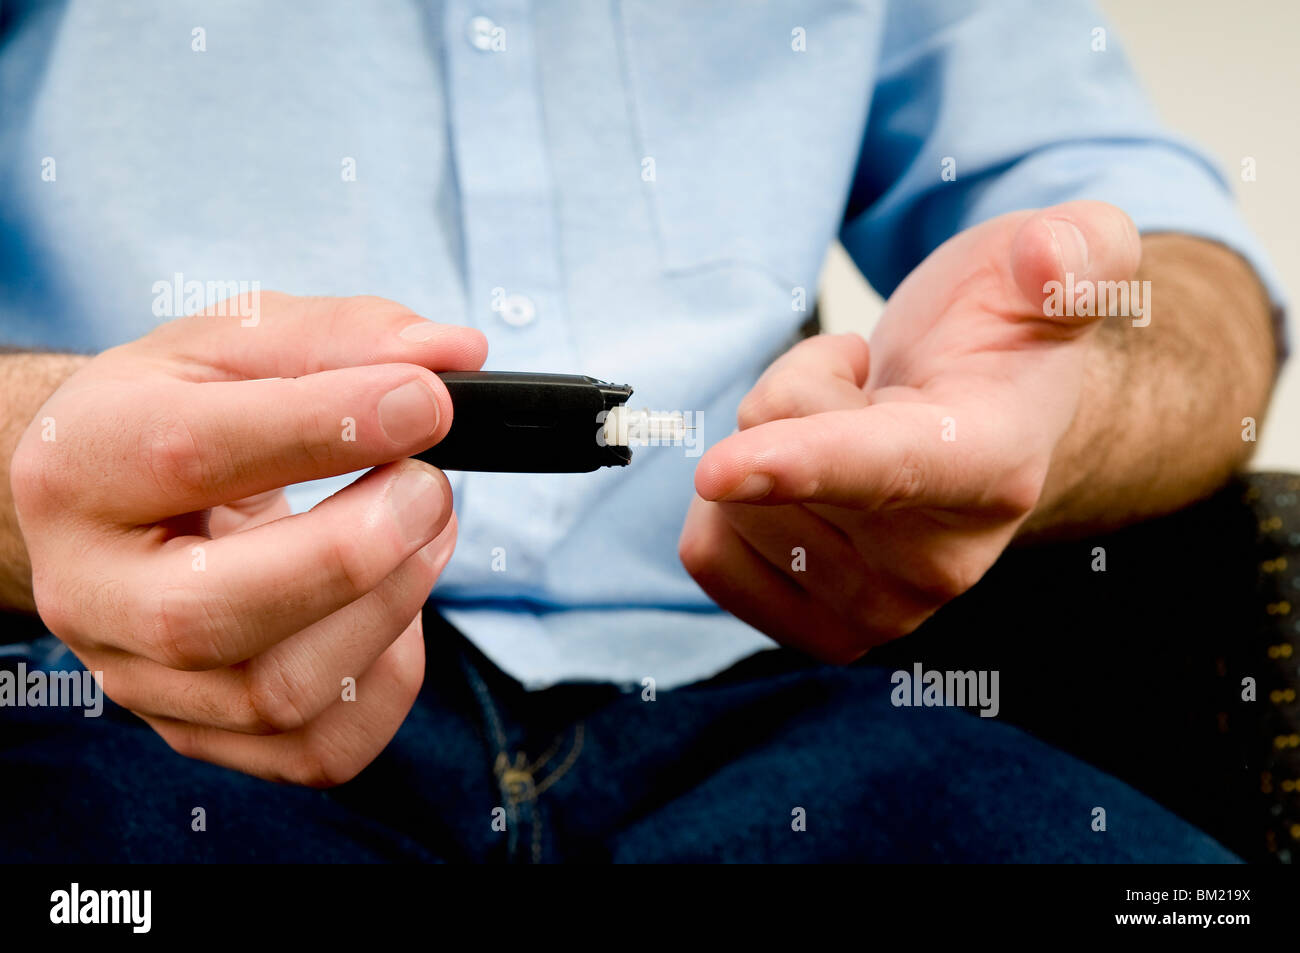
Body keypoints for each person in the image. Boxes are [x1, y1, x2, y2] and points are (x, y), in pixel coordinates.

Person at [0, 0, 1284, 862]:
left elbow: (1187, 284)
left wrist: (1055, 402)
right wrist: (42, 453)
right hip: (101, 703)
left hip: (776, 705)